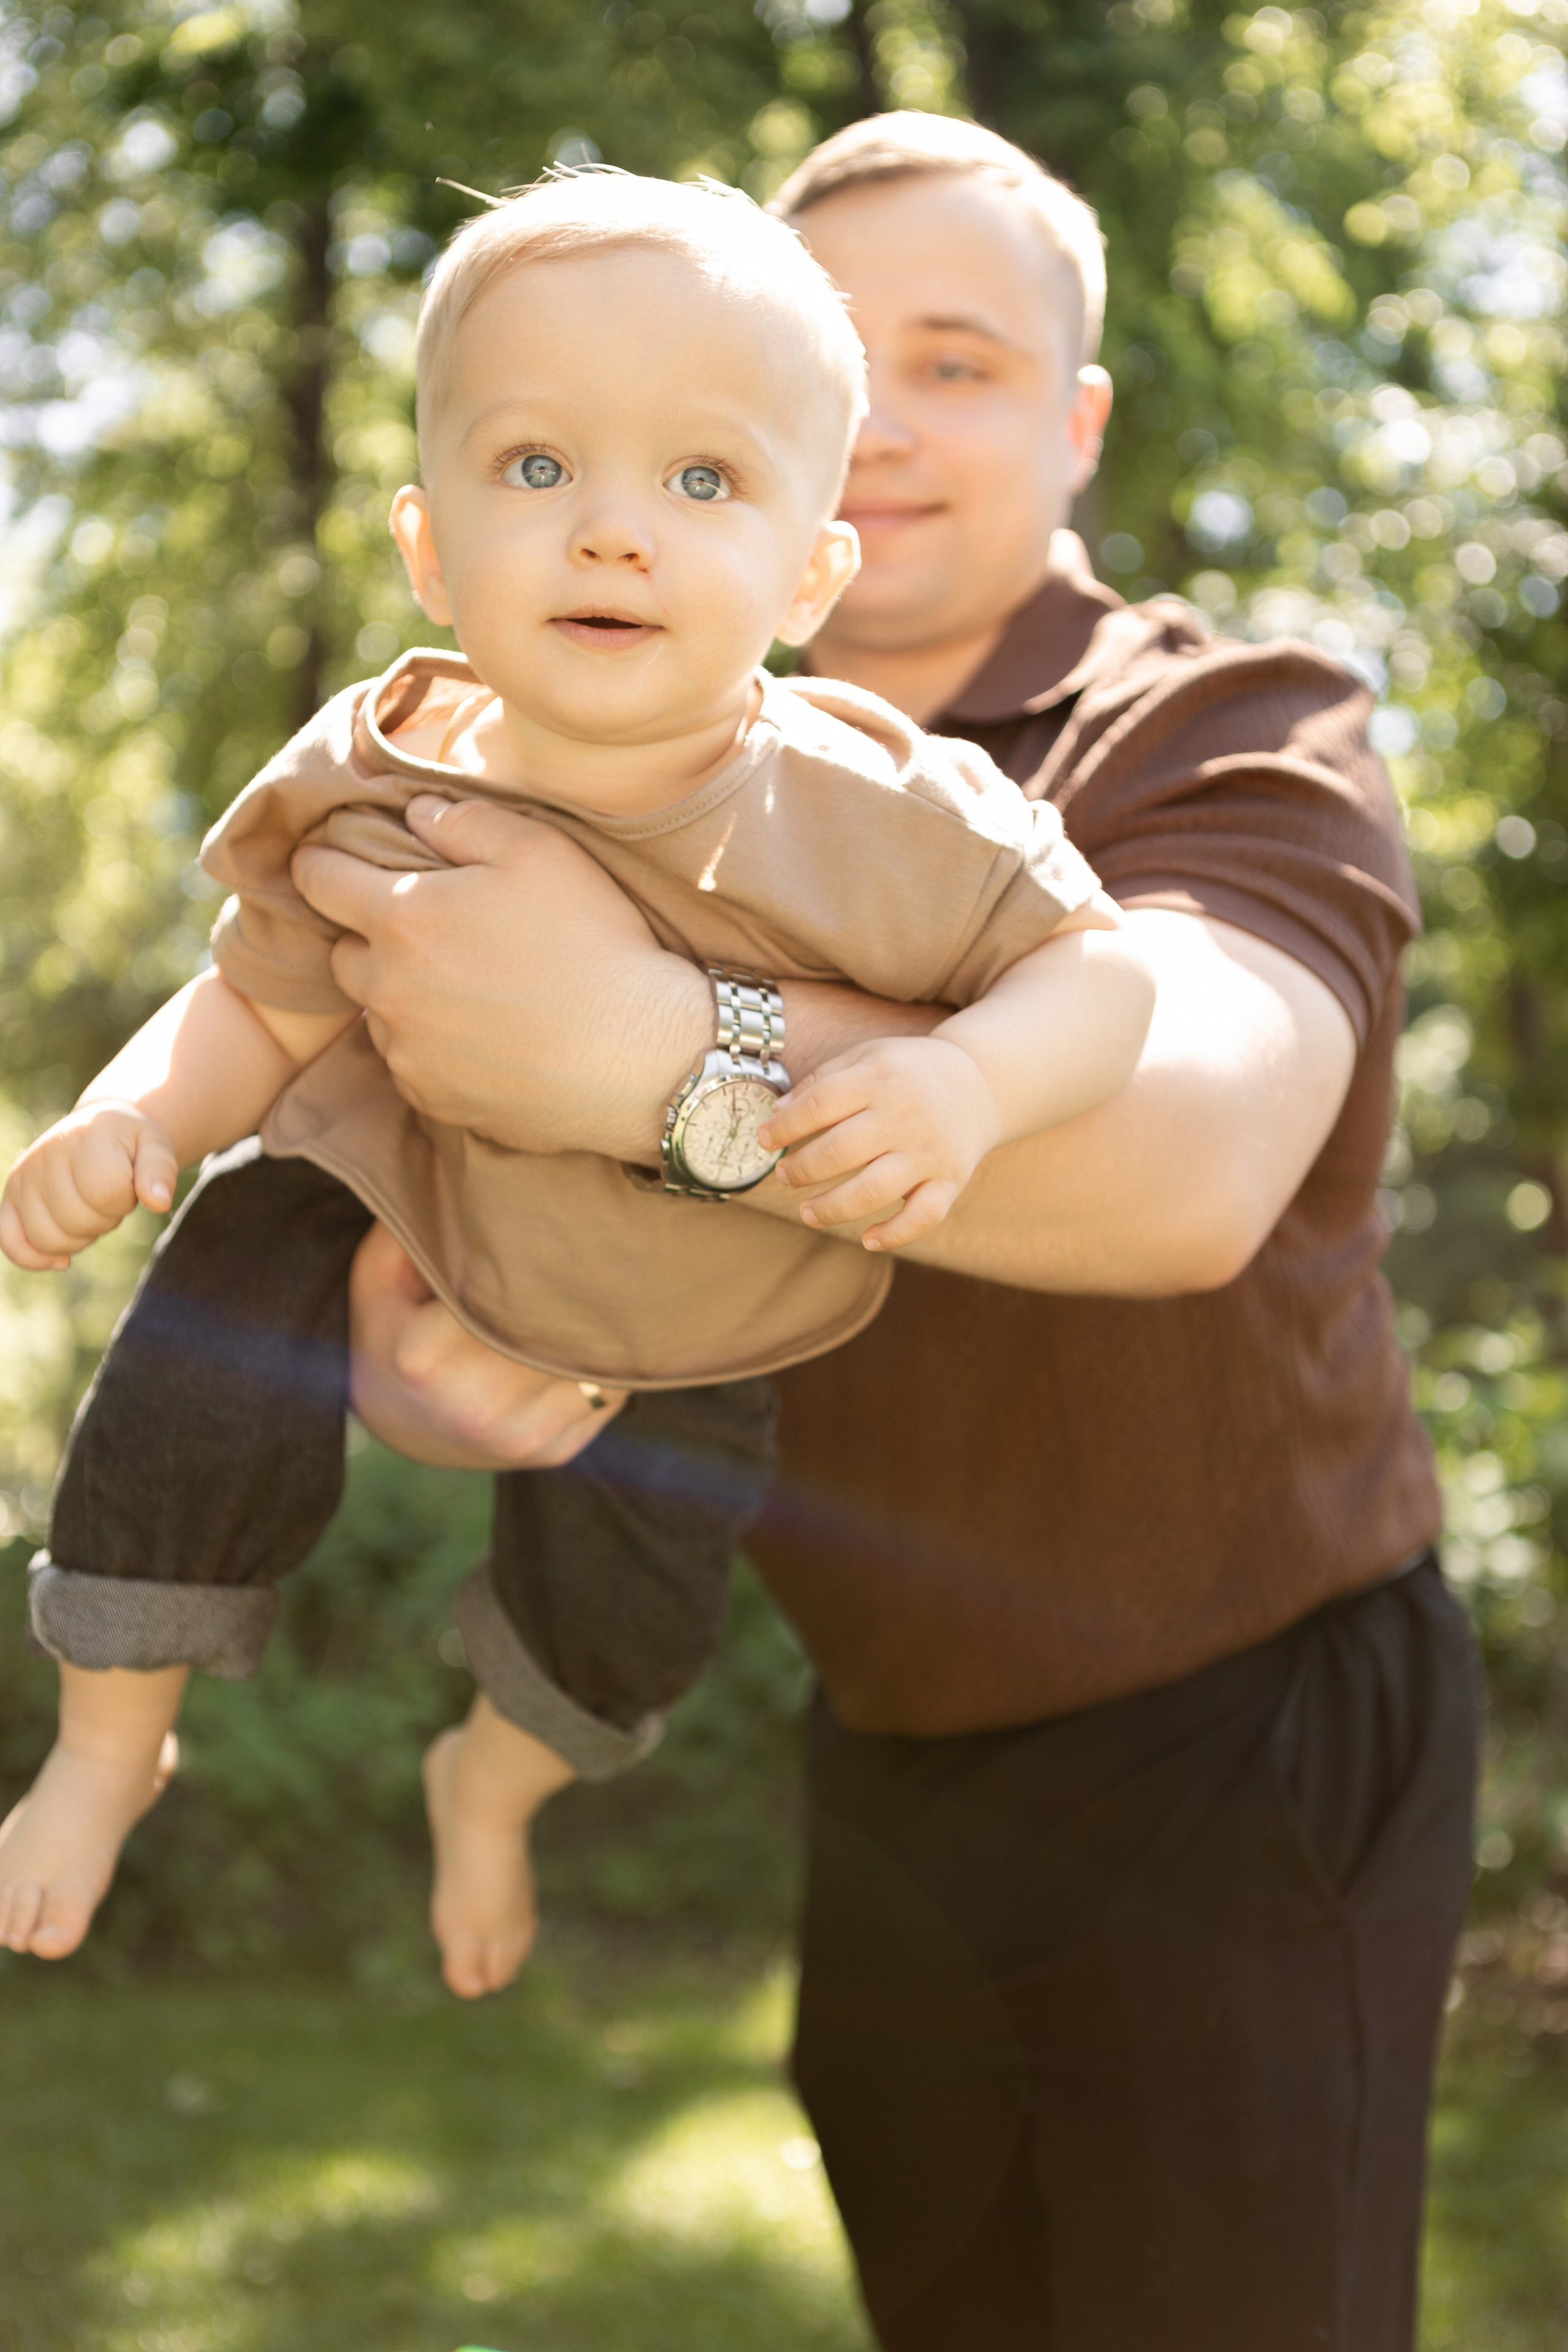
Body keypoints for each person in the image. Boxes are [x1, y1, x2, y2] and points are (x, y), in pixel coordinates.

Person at [277, 113, 1480, 2352]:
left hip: (1246, 1739)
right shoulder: (586, 757)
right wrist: (427, 1351)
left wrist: (655, 1044)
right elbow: (439, 1202)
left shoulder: (1220, 723)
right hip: (891, 1738)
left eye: (968, 360)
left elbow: (1195, 1160)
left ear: (1076, 419)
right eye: (850, 354)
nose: (905, 425)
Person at [0, 168, 1152, 1999]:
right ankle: (110, 1736)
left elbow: (1102, 977)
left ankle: (498, 1778)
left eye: (703, 482)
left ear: (808, 571)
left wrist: (971, 1092)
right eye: (539, 469)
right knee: (216, 1290)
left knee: (623, 1629)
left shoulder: (883, 812)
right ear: (432, 549)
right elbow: (258, 999)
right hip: (411, 1201)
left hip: (696, 1285)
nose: (613, 534)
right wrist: (135, 1115)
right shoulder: (387, 772)